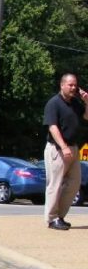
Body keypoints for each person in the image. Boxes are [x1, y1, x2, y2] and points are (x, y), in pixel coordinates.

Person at [43, 73, 88, 230]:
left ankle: (59, 216)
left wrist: (86, 101)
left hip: (73, 148)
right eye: (70, 85)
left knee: (75, 184)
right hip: (57, 149)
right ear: (62, 85)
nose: (73, 87)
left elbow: (86, 117)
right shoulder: (53, 103)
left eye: (75, 85)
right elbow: (52, 127)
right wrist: (63, 146)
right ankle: (51, 218)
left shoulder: (76, 103)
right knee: (54, 185)